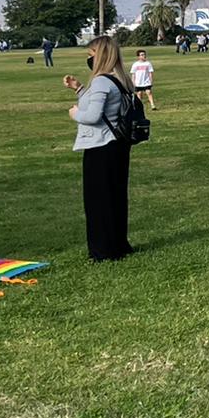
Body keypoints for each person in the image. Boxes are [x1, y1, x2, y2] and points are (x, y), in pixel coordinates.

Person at [63, 35, 135, 262]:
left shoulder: (102, 81)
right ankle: (118, 244)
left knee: (97, 201)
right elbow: (103, 106)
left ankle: (102, 250)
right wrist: (79, 89)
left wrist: (75, 114)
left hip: (100, 147)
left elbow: (93, 115)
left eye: (90, 55)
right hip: (118, 146)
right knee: (115, 197)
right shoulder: (120, 79)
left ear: (100, 56)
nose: (88, 59)